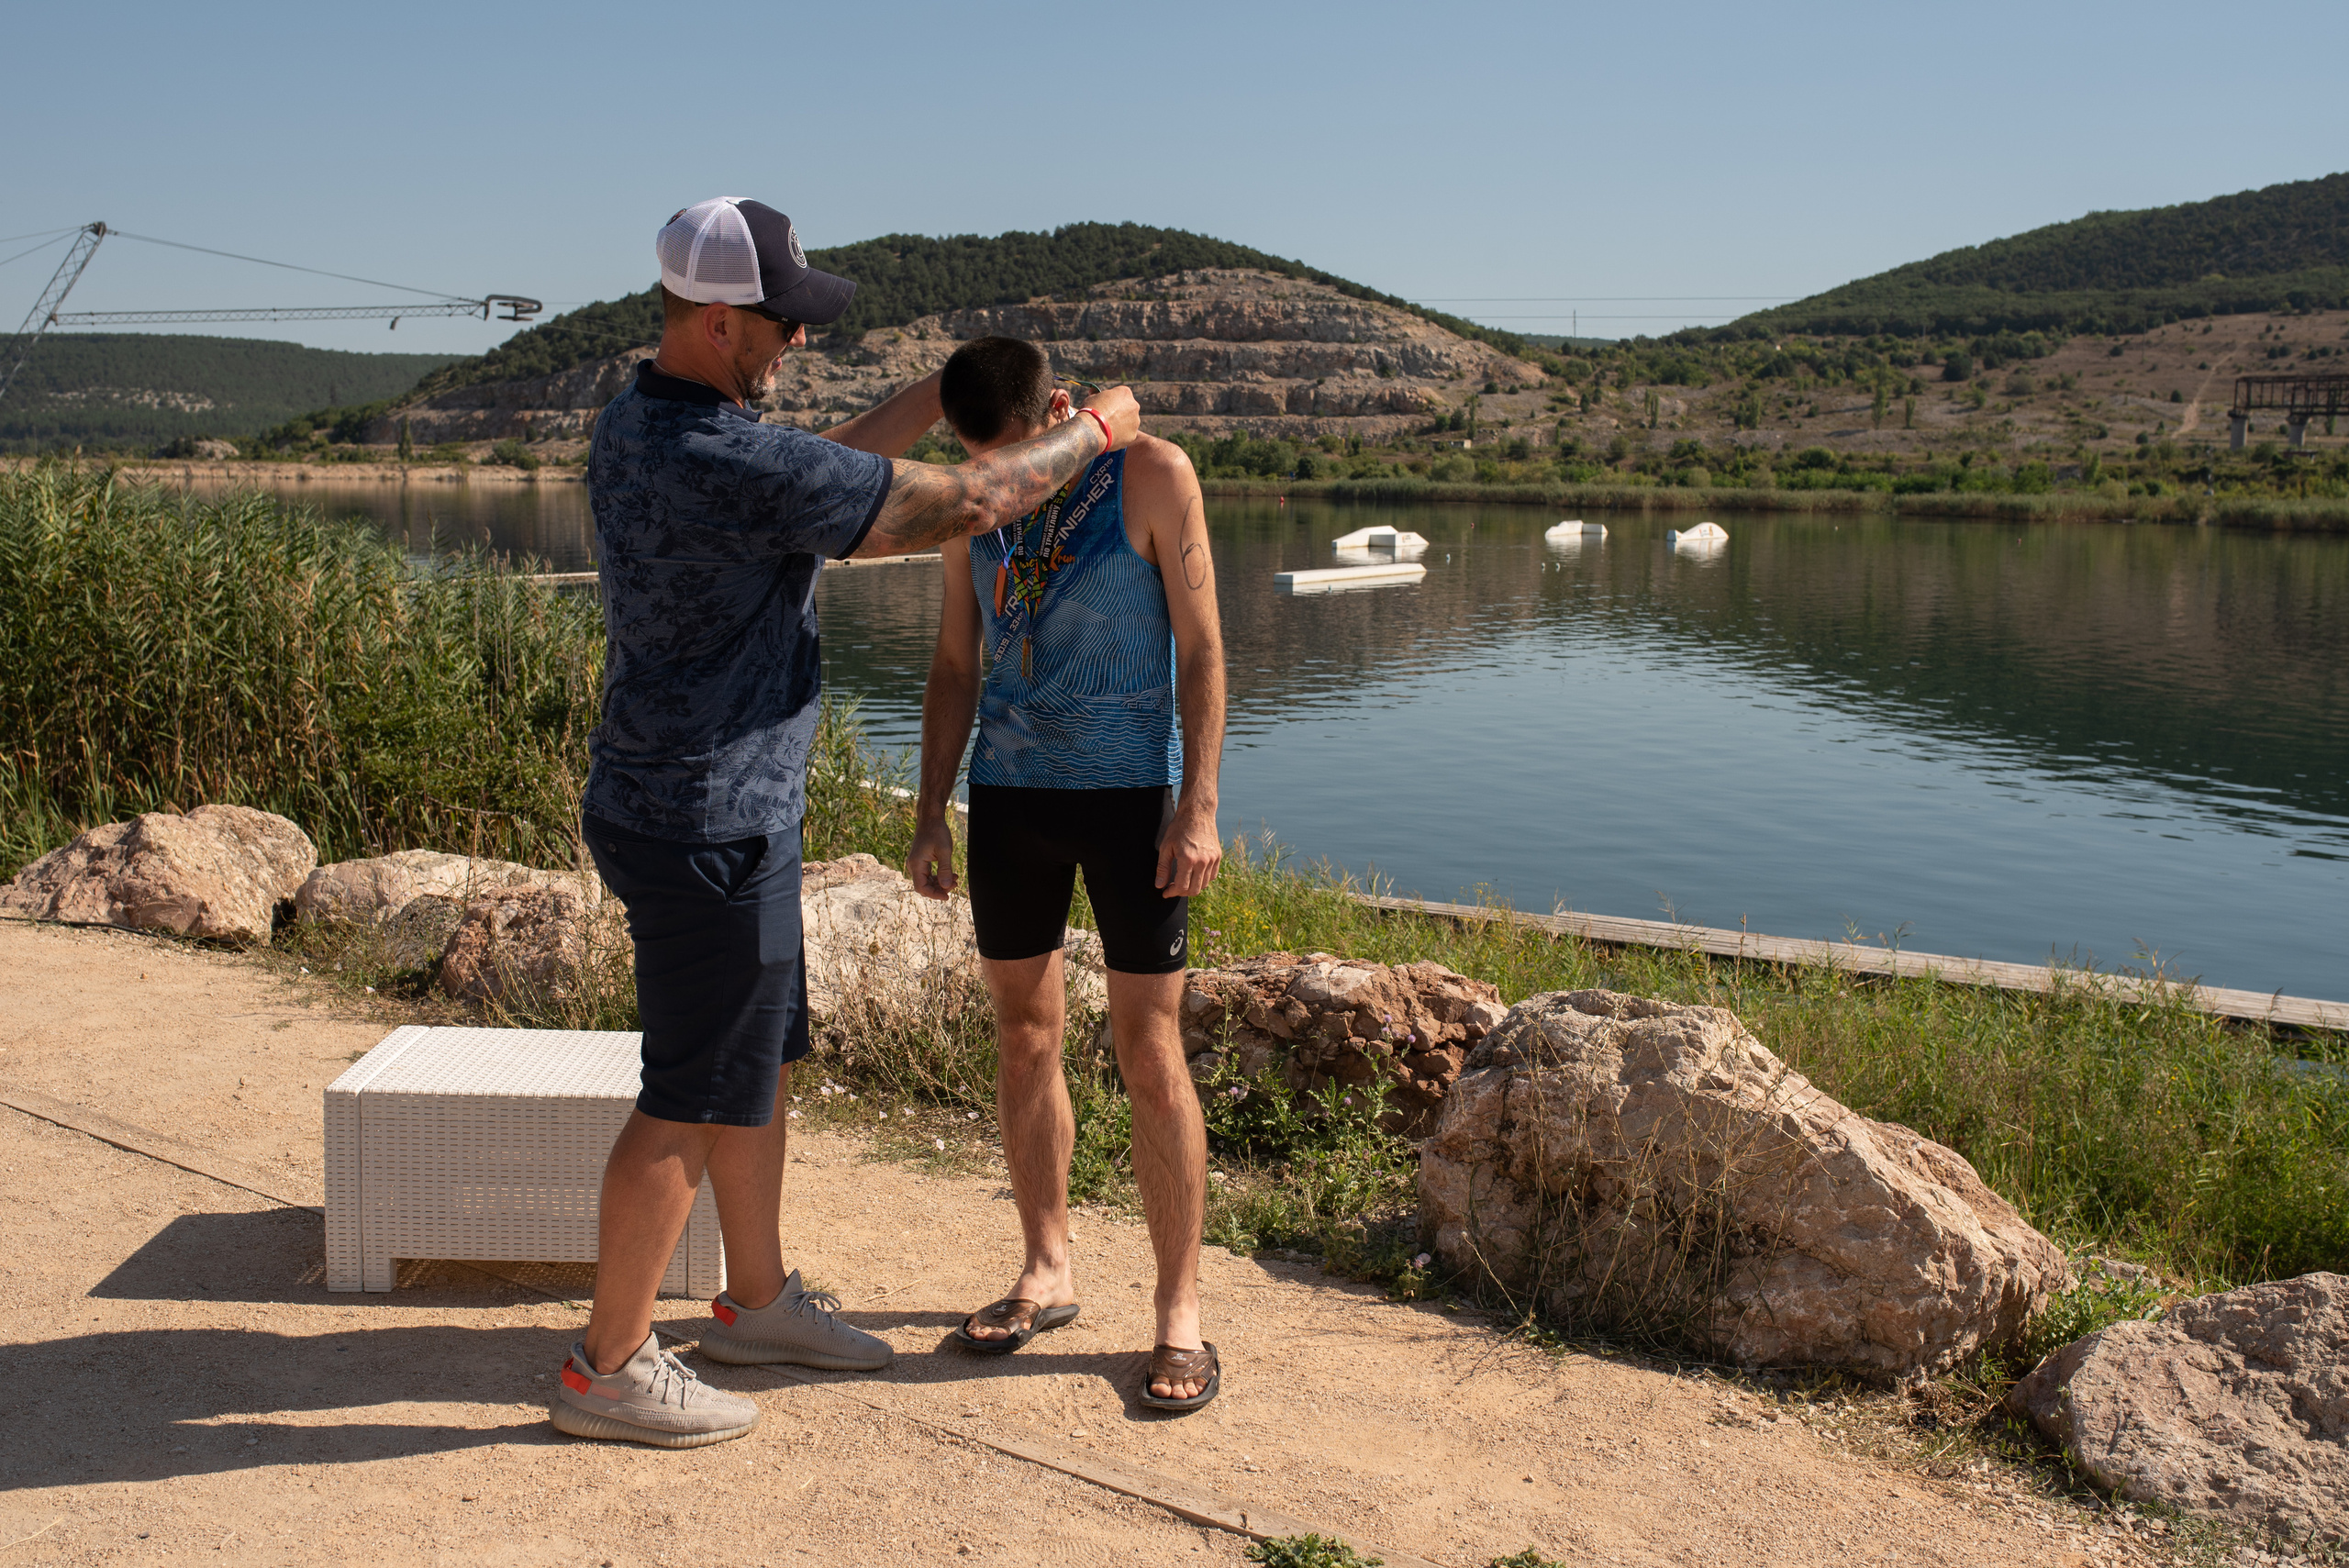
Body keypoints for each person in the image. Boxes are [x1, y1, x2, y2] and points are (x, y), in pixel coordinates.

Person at [552, 202, 1141, 1449]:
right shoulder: (727, 458)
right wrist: (1097, 429)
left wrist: (936, 387)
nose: (800, 342)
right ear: (722, 323)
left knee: (752, 1065)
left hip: (715, 806)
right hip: (704, 819)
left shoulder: (647, 418)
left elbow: (817, 465)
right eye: (784, 323)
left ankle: (755, 1303)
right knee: (689, 1092)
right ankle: (609, 1365)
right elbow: (966, 502)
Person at [906, 336, 1226, 1411]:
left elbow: (1202, 648)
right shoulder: (973, 502)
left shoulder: (1152, 474)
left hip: (1130, 800)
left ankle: (1178, 1311)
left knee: (1150, 1050)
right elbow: (956, 661)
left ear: (1059, 413)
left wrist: (1198, 805)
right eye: (980, 459)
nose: (1001, 477)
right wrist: (930, 812)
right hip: (1009, 800)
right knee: (1023, 1035)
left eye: (1012, 451)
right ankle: (1046, 1267)